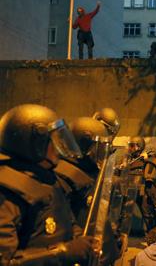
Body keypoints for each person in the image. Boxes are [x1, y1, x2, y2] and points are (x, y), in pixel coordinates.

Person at [0, 104, 95, 265]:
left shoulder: (48, 178)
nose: (59, 149)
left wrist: (84, 241)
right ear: (37, 144)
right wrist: (62, 253)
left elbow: (67, 220)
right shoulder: (7, 194)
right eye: (55, 141)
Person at [54, 116, 120, 265]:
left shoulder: (90, 172)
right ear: (84, 146)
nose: (103, 152)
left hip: (96, 255)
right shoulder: (64, 176)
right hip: (79, 255)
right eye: (99, 147)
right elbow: (66, 225)